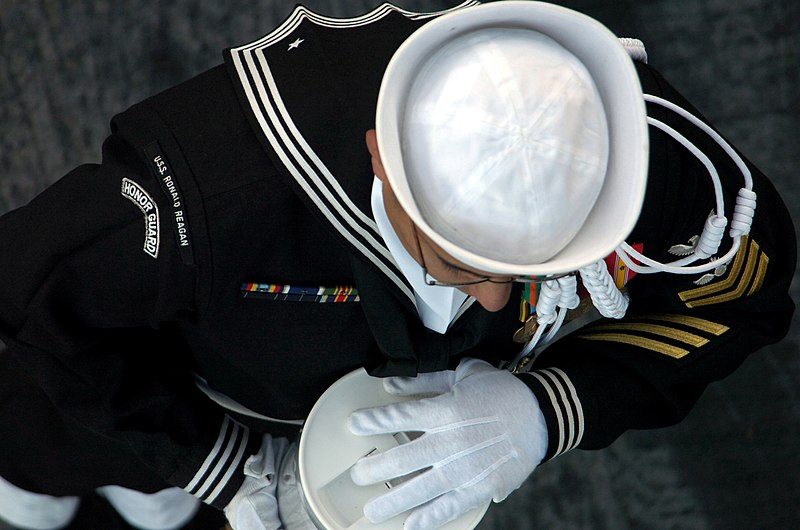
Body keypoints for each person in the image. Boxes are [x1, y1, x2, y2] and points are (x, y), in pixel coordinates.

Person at [0, 1, 795, 529]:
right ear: (382, 160)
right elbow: (32, 294)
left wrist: (546, 410)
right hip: (180, 372)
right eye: (463, 265)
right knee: (60, 462)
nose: (494, 303)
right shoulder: (221, 196)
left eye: (529, 271)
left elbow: (745, 299)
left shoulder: (641, 162)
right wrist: (218, 460)